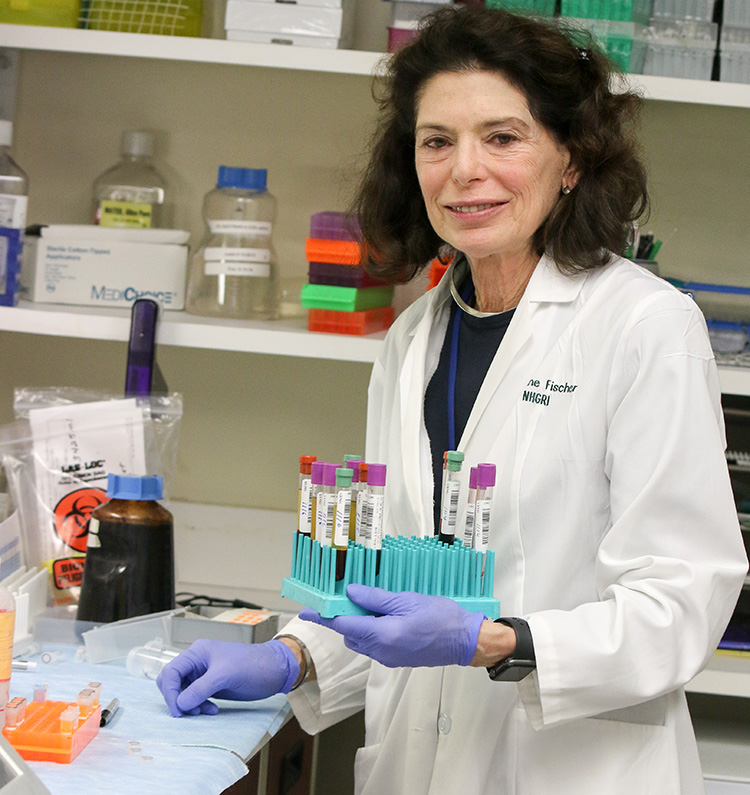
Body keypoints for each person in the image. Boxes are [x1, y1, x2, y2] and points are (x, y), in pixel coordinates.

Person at [158, 7, 748, 793]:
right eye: (438, 141)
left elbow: (680, 604)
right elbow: (387, 584)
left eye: (502, 138)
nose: (464, 170)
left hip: (576, 770)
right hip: (416, 765)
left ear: (569, 159)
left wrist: (495, 641)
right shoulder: (413, 340)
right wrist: (290, 653)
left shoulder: (643, 326)